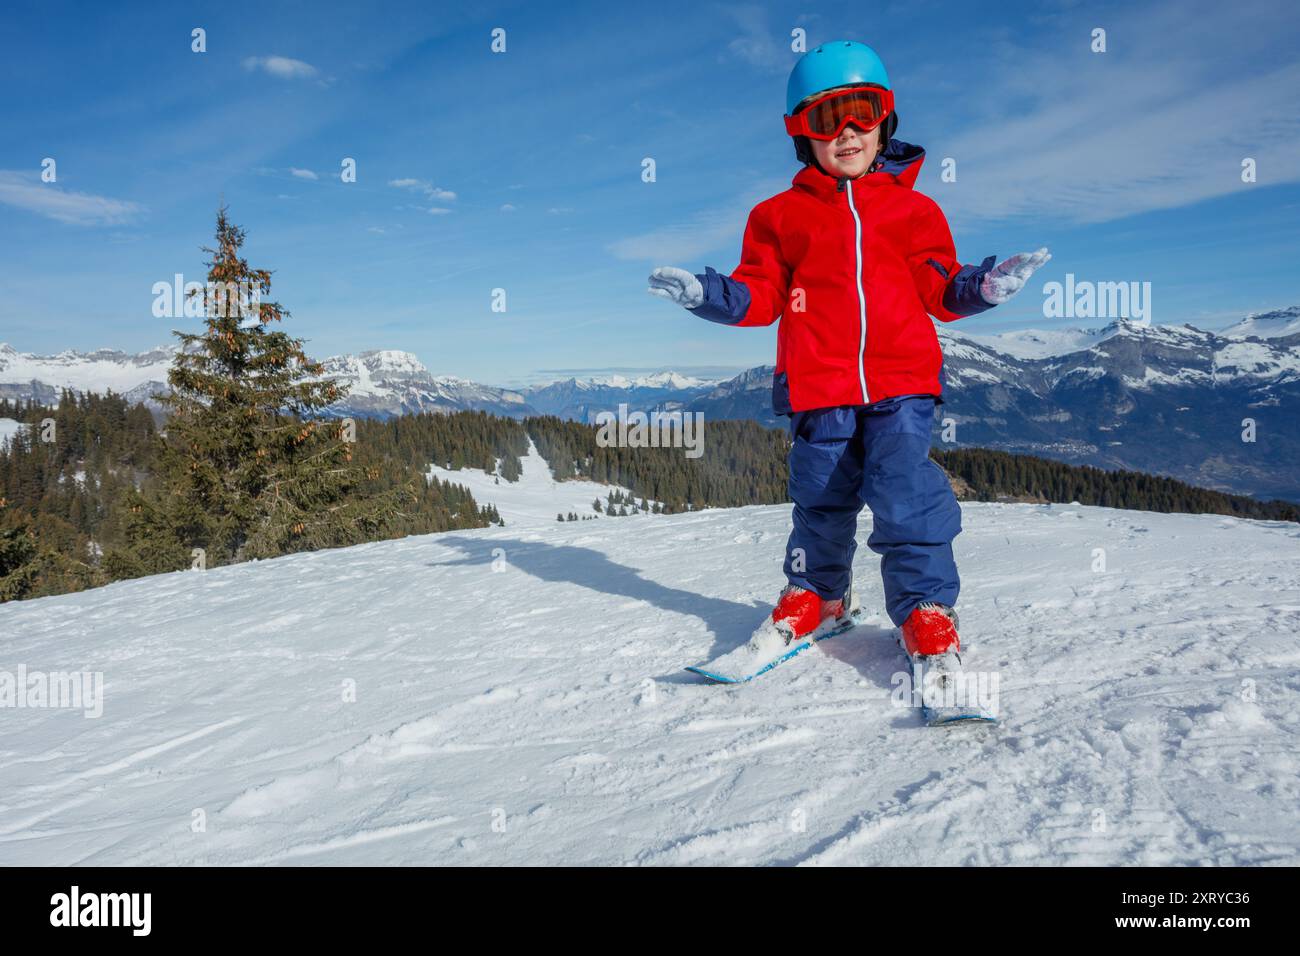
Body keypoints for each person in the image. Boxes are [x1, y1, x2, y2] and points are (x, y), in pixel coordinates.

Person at [647, 40, 1050, 662]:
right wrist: (709, 294)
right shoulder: (777, 217)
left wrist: (984, 288)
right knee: (820, 498)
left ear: (886, 118)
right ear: (800, 133)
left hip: (902, 385)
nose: (848, 131)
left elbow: (941, 287)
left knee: (904, 492)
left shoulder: (916, 211)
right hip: (818, 387)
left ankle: (924, 608)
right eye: (826, 118)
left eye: (862, 109)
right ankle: (819, 596)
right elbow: (760, 295)